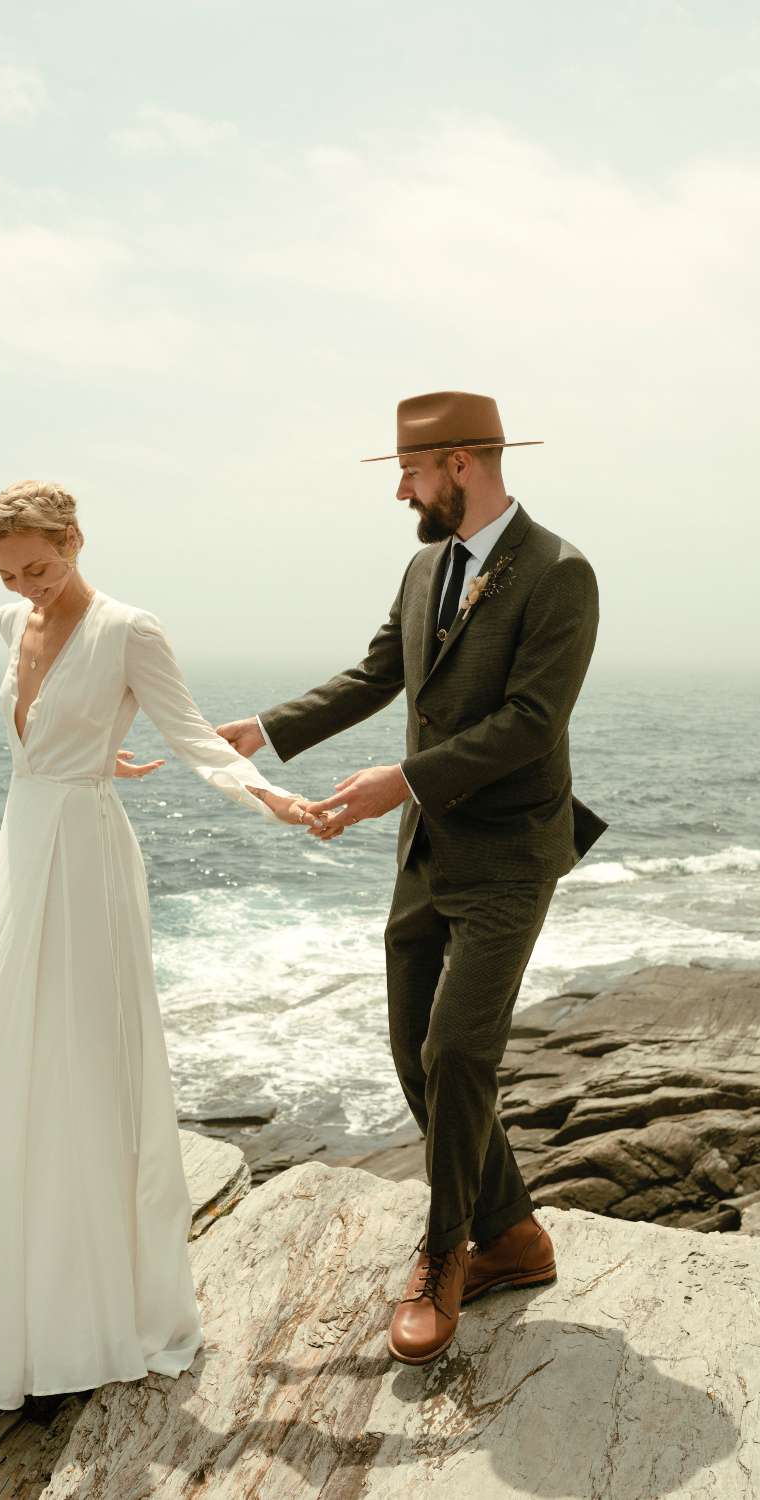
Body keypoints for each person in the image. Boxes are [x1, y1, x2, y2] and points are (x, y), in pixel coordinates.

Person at [0, 479, 319, 1410]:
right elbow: (44, 723)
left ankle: (85, 1292)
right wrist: (90, 739)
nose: (26, 588)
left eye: (39, 567)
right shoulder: (12, 625)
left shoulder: (132, 629)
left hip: (84, 859)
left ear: (76, 540)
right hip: (23, 841)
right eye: (8, 576)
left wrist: (271, 796)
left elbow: (196, 736)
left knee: (82, 1055)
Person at [218, 390, 607, 1366]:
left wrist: (402, 779)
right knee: (410, 1050)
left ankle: (446, 1257)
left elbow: (529, 720)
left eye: (411, 471)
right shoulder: (424, 563)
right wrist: (264, 730)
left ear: (463, 465)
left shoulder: (560, 573)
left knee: (456, 1054)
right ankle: (514, 1235)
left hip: (511, 855)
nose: (400, 490)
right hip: (426, 856)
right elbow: (377, 673)